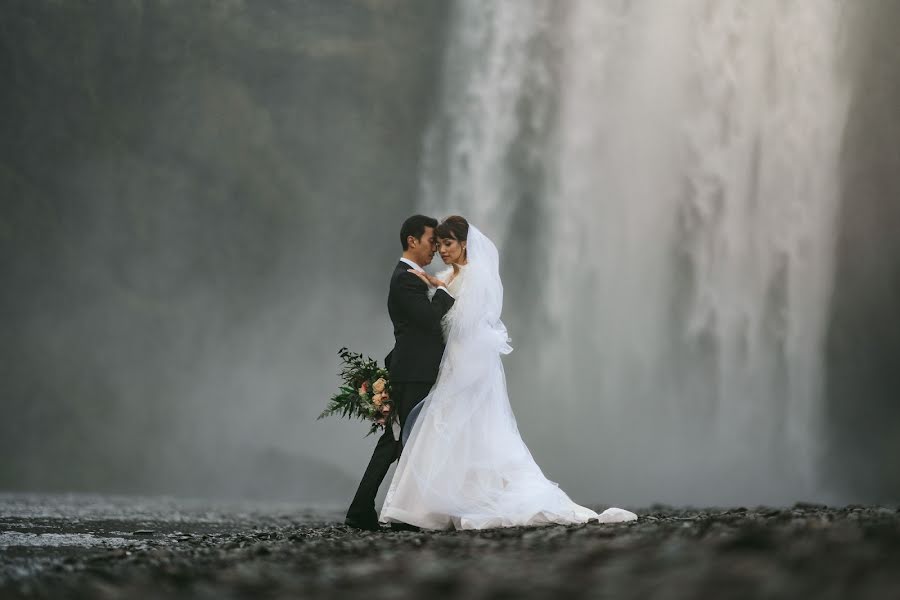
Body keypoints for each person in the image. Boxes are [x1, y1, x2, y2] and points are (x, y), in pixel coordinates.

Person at [380, 216, 637, 530]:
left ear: (464, 244)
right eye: (439, 244)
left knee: (457, 430)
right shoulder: (450, 276)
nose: (442, 250)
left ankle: (439, 506)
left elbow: (462, 326)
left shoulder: (472, 277)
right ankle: (431, 507)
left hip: (466, 365)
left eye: (448, 244)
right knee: (451, 433)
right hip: (452, 365)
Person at [344, 215, 455, 531]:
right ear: (412, 240)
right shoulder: (406, 278)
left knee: (399, 443)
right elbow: (429, 322)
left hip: (411, 369)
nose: (435, 247)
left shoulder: (415, 276)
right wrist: (448, 289)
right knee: (400, 442)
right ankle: (377, 511)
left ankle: (372, 509)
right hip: (413, 372)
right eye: (432, 240)